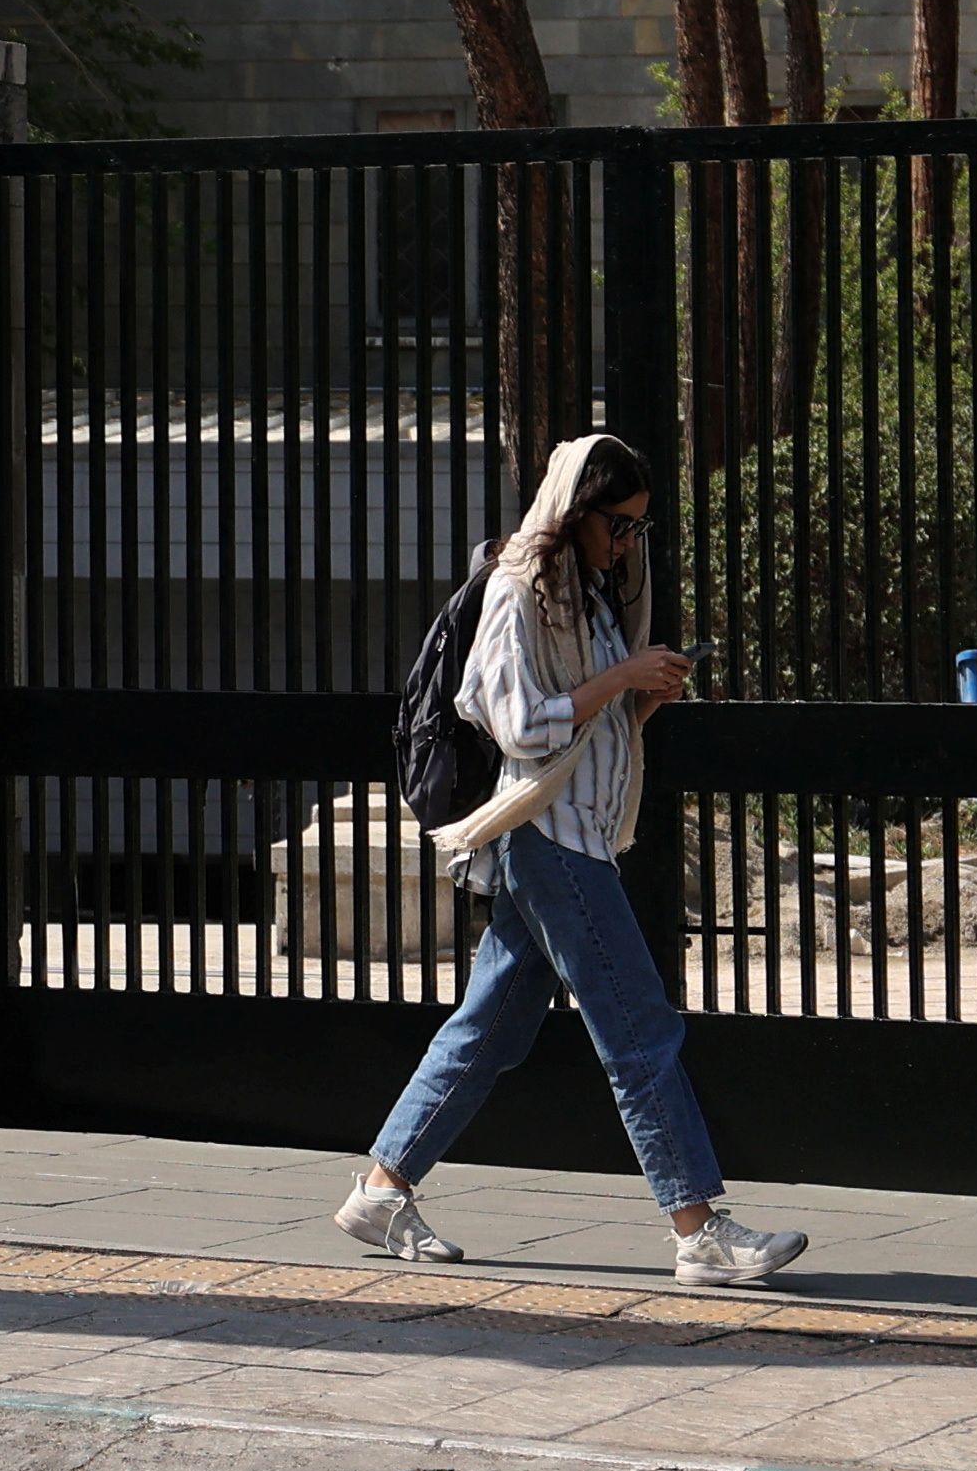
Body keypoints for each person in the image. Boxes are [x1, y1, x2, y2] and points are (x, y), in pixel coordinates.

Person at [336, 432, 809, 1291]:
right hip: (548, 840)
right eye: (617, 525)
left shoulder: (585, 597)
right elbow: (520, 727)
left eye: (638, 529)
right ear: (574, 512)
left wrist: (642, 696)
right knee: (639, 1030)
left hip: (574, 832)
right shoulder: (517, 590)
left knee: (490, 1030)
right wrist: (622, 672)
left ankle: (381, 1188)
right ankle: (698, 1228)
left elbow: (589, 733)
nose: (626, 543)